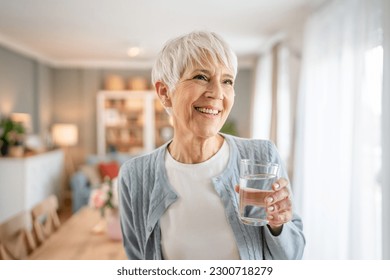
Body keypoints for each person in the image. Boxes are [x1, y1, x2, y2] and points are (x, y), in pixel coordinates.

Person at [118, 31, 305, 260]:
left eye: (227, 81)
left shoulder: (262, 156)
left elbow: (293, 256)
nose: (217, 93)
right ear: (165, 92)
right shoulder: (135, 176)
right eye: (201, 77)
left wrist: (279, 226)